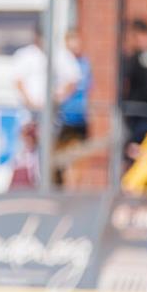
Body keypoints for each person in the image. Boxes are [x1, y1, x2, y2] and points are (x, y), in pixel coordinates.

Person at [12, 25, 81, 123]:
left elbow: (73, 80)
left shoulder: (61, 55)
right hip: (29, 112)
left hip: (54, 112)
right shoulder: (25, 54)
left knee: (51, 136)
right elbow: (18, 81)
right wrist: (30, 102)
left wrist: (58, 99)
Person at [56, 30, 92, 186]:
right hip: (60, 119)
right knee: (57, 159)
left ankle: (72, 191)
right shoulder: (60, 62)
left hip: (79, 119)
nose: (76, 45)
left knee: (75, 158)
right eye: (72, 41)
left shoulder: (85, 63)